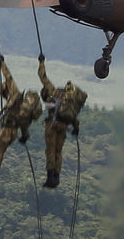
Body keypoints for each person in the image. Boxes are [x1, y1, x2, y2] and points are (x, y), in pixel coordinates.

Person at [0, 55, 42, 191]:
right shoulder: (22, 107)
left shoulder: (14, 94)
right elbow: (24, 126)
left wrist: (2, 63)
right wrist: (24, 137)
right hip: (12, 132)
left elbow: (8, 77)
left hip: (7, 130)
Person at [37, 54, 87, 188]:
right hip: (63, 127)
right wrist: (76, 127)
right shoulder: (65, 98)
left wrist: (41, 62)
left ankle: (50, 177)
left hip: (52, 125)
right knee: (59, 151)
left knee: (51, 151)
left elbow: (42, 76)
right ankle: (57, 177)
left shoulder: (50, 91)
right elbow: (73, 117)